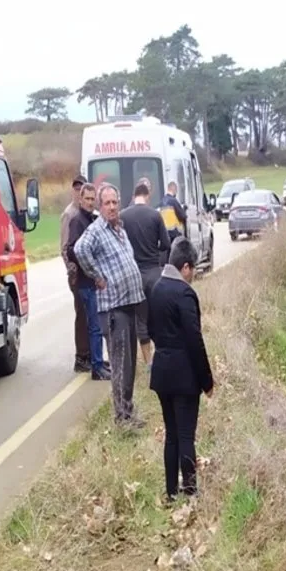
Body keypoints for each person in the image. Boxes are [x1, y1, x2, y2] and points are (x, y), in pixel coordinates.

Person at [73, 184, 147, 428]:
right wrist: (96, 275)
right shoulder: (97, 229)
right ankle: (122, 418)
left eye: (115, 202)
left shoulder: (120, 229)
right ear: (100, 206)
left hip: (129, 304)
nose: (112, 207)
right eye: (107, 203)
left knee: (129, 364)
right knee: (120, 364)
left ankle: (129, 411)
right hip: (114, 308)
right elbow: (79, 249)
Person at [148, 237, 214, 501]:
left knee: (172, 435)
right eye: (193, 269)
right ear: (185, 267)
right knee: (186, 434)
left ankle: (171, 492)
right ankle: (190, 491)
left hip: (162, 372)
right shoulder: (184, 293)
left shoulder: (156, 288)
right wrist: (207, 380)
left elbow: (151, 329)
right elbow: (194, 340)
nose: (193, 274)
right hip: (184, 376)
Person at [121, 180, 173, 364]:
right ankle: (161, 356)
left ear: (134, 196)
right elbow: (166, 244)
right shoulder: (155, 215)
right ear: (147, 196)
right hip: (154, 273)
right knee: (158, 315)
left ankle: (147, 361)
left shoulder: (123, 216)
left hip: (134, 275)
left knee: (140, 318)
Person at [64, 182, 109, 381]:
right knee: (94, 325)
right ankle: (96, 366)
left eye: (93, 199)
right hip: (85, 281)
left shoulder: (93, 219)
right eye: (87, 199)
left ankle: (98, 359)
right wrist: (88, 263)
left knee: (97, 324)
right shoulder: (76, 221)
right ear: (80, 199)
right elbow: (71, 250)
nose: (90, 202)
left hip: (94, 281)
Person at [61, 174, 91, 373]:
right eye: (76, 187)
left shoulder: (85, 213)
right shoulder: (70, 215)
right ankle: (81, 357)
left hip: (84, 272)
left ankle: (88, 354)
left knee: (88, 315)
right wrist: (72, 270)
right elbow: (65, 248)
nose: (78, 191)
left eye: (81, 187)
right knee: (82, 315)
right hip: (76, 273)